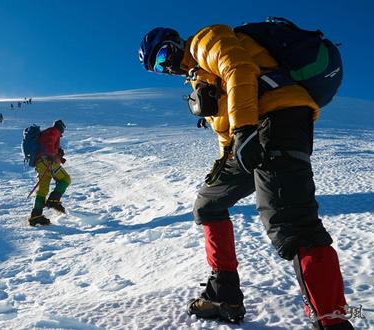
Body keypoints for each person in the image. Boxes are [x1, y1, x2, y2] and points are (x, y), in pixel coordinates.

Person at [139, 26, 352, 329]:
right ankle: (224, 294)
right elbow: (226, 125)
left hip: (278, 120)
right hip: (249, 132)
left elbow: (239, 67)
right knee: (208, 205)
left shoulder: (205, 40)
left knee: (294, 225)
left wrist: (244, 129)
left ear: (174, 42)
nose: (166, 66)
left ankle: (334, 322)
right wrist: (226, 160)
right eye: (157, 68)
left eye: (162, 55)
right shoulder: (200, 75)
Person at [28, 119, 71, 226]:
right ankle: (53, 200)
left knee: (43, 189)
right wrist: (51, 155)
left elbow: (47, 144)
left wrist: (59, 157)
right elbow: (49, 141)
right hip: (47, 161)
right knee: (65, 179)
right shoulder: (53, 131)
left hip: (40, 164)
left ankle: (36, 216)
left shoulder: (48, 132)